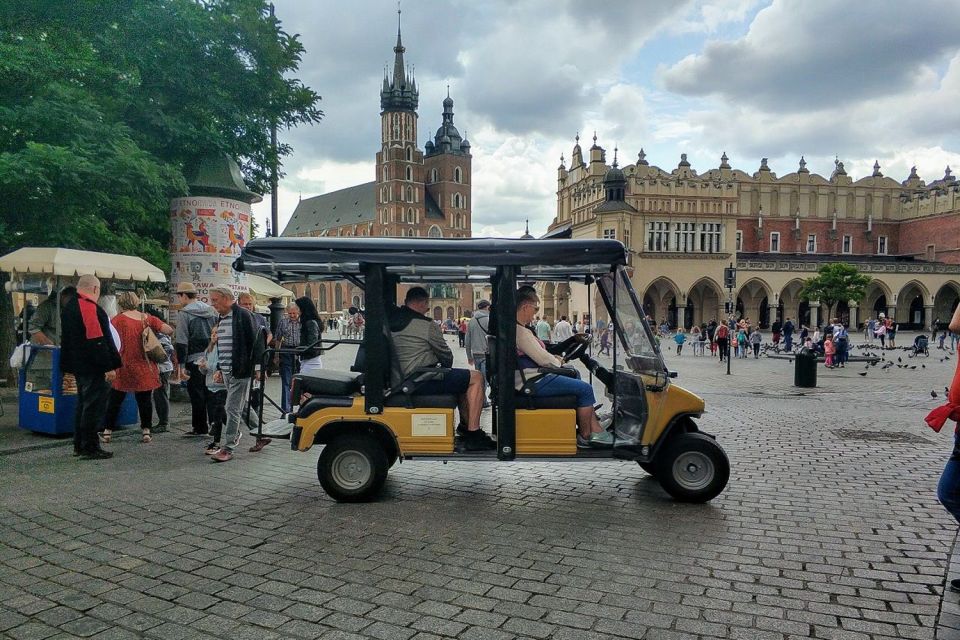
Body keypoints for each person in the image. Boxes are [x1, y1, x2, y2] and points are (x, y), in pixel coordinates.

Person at [389, 287, 492, 450]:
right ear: (422, 302)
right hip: (420, 378)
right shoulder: (426, 324)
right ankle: (473, 433)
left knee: (460, 380)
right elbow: (446, 357)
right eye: (426, 305)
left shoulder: (391, 320)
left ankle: (465, 427)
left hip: (401, 377)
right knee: (477, 377)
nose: (428, 309)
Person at [514, 287, 613, 448]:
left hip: (529, 376)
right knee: (585, 389)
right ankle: (586, 435)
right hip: (530, 379)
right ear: (525, 307)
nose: (535, 313)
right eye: (535, 308)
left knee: (574, 375)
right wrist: (559, 361)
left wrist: (570, 342)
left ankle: (592, 422)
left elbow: (545, 350)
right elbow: (545, 359)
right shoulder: (520, 332)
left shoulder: (522, 329)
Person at [60, 275, 121, 460]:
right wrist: (108, 366)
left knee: (82, 405)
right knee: (93, 406)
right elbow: (96, 340)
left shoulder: (70, 306)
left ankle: (79, 444)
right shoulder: (87, 307)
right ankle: (90, 446)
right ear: (95, 289)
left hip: (79, 365)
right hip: (93, 366)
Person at [101, 291, 173, 445]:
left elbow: (109, 340)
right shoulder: (147, 318)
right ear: (136, 302)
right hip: (145, 366)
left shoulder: (117, 320)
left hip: (123, 366)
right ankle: (146, 431)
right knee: (145, 400)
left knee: (115, 400)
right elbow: (168, 330)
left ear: (121, 304)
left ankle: (107, 432)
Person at [206, 286, 266, 462]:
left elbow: (257, 342)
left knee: (231, 408)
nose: (213, 303)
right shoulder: (222, 317)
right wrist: (218, 367)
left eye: (215, 300)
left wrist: (257, 368)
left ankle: (228, 448)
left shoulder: (243, 315)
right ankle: (261, 433)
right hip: (227, 370)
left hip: (239, 370)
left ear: (226, 299)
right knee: (241, 405)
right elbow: (223, 345)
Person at [174, 282, 218, 437]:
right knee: (212, 391)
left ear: (184, 295)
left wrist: (181, 365)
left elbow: (182, 341)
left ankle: (200, 427)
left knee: (197, 394)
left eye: (179, 296)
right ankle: (214, 423)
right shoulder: (212, 311)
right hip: (211, 358)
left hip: (194, 359)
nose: (179, 299)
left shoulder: (184, 314)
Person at [199, 335, 228, 455]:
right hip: (211, 385)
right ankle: (234, 431)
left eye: (217, 333)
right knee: (219, 413)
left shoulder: (225, 350)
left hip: (222, 386)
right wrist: (202, 367)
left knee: (218, 413)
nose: (215, 336)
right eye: (213, 334)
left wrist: (211, 367)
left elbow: (222, 365)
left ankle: (216, 443)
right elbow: (205, 369)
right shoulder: (209, 350)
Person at [274, 303, 301, 414]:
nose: (292, 315)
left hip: (300, 351)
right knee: (286, 381)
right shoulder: (283, 322)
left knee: (301, 381)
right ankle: (286, 411)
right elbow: (278, 339)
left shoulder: (303, 322)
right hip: (286, 351)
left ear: (298, 312)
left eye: (294, 313)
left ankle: (301, 409)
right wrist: (276, 355)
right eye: (290, 313)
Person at [464, 299, 491, 408]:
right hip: (486, 354)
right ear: (487, 307)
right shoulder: (489, 320)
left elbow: (467, 339)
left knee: (479, 378)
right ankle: (482, 401)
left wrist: (469, 356)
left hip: (475, 354)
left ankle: (480, 399)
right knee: (484, 379)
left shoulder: (472, 320)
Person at [294, 296, 324, 375]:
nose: (297, 311)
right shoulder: (308, 322)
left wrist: (298, 350)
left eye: (298, 308)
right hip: (307, 360)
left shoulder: (311, 323)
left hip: (311, 361)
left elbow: (312, 345)